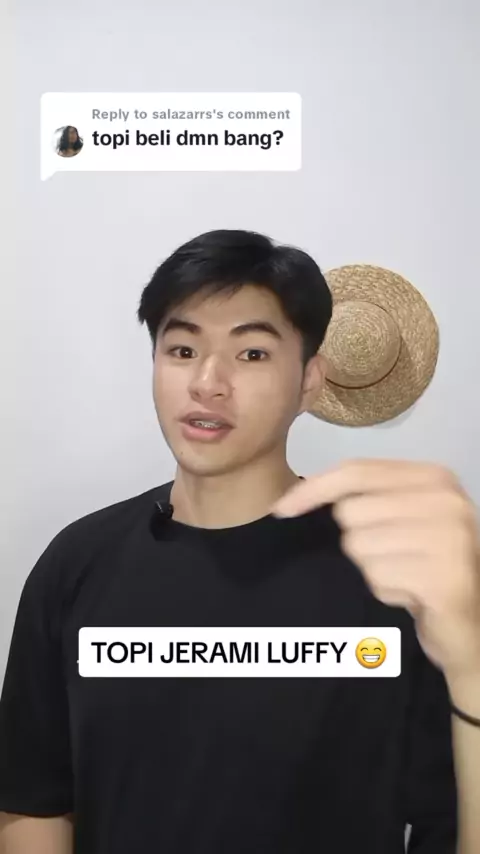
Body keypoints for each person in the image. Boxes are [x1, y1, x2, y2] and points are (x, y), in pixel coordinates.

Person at [0, 229, 478, 854]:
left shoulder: (389, 571)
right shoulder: (78, 561)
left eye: (252, 353)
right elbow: (33, 800)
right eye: (181, 349)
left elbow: (453, 822)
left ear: (309, 382)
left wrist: (472, 658)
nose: (208, 382)